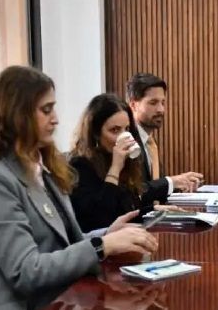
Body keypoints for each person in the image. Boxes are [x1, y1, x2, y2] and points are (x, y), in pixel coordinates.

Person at [0, 66, 158, 310]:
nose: (56, 119)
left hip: (50, 307)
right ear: (18, 114)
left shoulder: (43, 170)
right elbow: (27, 271)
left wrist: (107, 234)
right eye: (46, 110)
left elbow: (60, 245)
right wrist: (102, 246)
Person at [70, 94, 164, 231]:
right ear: (96, 133)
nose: (123, 136)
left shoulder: (123, 162)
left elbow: (126, 210)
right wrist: (115, 168)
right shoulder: (80, 165)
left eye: (127, 129)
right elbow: (101, 219)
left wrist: (154, 211)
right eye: (115, 130)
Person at [125, 72, 203, 201]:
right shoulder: (127, 141)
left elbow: (153, 188)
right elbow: (134, 192)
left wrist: (180, 185)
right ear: (133, 105)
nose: (161, 109)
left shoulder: (150, 142)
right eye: (153, 103)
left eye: (162, 102)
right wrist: (171, 182)